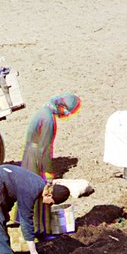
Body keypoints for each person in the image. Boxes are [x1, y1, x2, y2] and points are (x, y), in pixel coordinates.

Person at [0, 165, 70, 254]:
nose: (50, 205)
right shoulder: (31, 190)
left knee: (0, 216)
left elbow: (14, 190)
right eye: (52, 202)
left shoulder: (39, 183)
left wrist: (6, 210)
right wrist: (33, 252)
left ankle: (1, 250)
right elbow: (26, 221)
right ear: (49, 195)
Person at [19, 92, 80, 235]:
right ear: (61, 106)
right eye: (66, 110)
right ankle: (38, 230)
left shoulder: (42, 112)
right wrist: (48, 172)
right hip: (36, 159)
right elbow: (45, 148)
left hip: (29, 155)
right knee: (39, 193)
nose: (65, 114)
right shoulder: (48, 120)